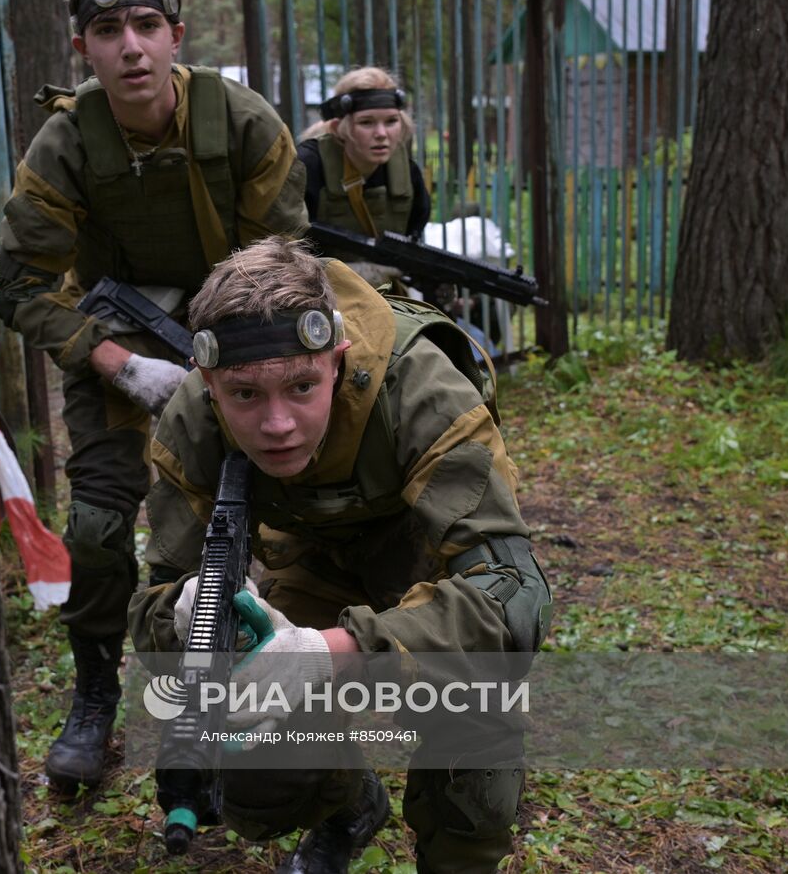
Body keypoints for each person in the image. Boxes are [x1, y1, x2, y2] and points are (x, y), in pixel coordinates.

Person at [128, 238, 551, 873]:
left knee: (476, 758)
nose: (277, 424)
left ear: (338, 358)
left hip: (431, 567)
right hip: (313, 561)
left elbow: (514, 596)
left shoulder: (421, 387)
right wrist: (185, 615)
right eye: (244, 395)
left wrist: (328, 654)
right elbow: (154, 598)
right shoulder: (192, 421)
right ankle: (351, 804)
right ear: (207, 379)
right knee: (255, 766)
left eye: (301, 385)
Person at [0, 0, 308, 791]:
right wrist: (117, 363)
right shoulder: (64, 145)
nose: (129, 47)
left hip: (234, 343)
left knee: (235, 529)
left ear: (175, 35)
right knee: (98, 530)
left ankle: (234, 700)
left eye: (144, 26)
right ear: (82, 49)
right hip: (113, 349)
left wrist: (230, 372)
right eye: (107, 31)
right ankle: (96, 698)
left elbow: (282, 261)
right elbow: (22, 284)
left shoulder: (244, 125)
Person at [298, 67, 431, 290]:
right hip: (313, 300)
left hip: (385, 298)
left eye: (391, 121)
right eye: (366, 123)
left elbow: (413, 236)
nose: (381, 133)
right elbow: (280, 251)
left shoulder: (406, 173)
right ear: (338, 128)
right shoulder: (308, 167)